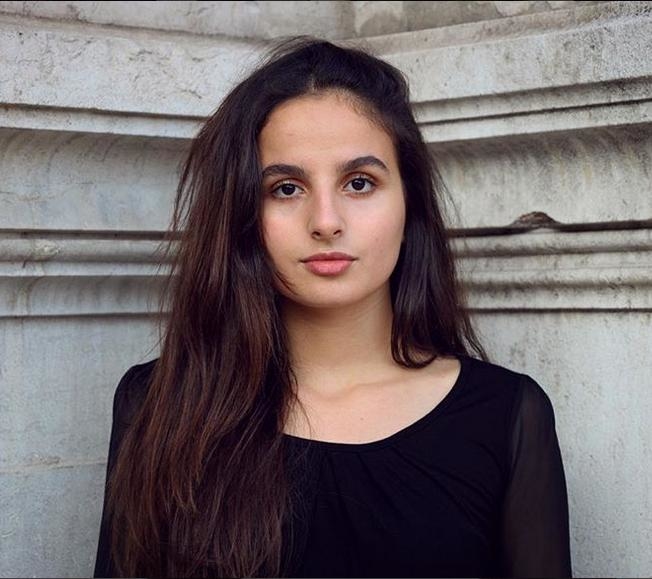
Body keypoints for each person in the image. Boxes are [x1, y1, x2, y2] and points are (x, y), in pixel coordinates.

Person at [93, 38, 572, 578]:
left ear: (409, 203)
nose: (325, 221)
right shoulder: (159, 403)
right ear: (243, 214)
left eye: (359, 183)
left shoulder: (507, 415)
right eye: (286, 188)